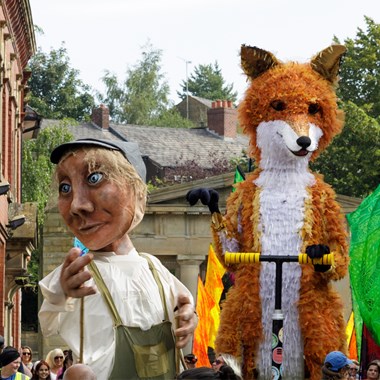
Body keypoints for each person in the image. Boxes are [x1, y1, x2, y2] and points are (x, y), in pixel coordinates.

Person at [38, 138, 197, 380]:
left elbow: (183, 304)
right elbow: (48, 323)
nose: (76, 205)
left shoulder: (153, 267)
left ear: (137, 192)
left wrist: (188, 317)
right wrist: (63, 292)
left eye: (94, 179)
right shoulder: (80, 273)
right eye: (65, 188)